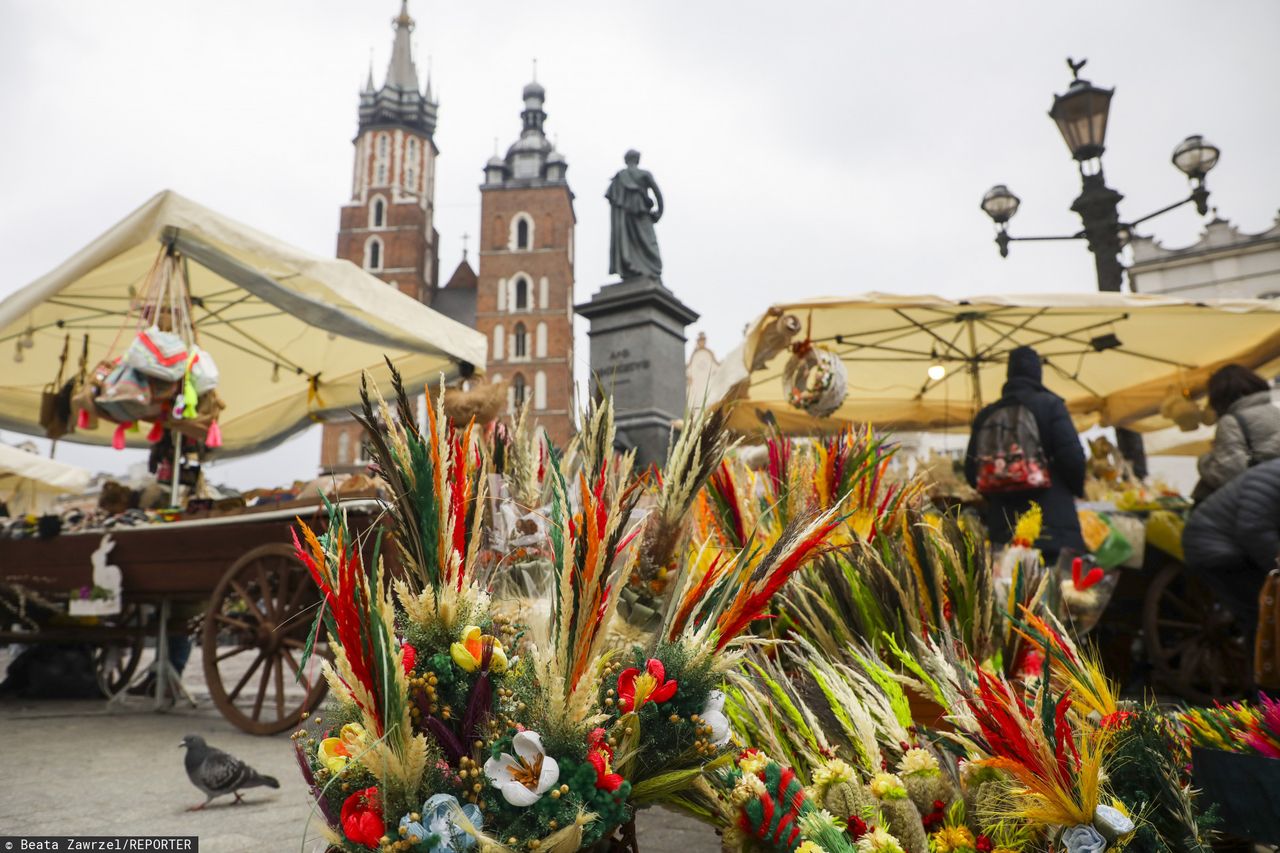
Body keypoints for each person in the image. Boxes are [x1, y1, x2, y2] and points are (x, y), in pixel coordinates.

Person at [964, 345, 1086, 563]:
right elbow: (1073, 458)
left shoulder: (987, 414)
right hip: (1053, 522)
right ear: (1038, 373)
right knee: (1060, 592)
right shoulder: (1051, 406)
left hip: (1004, 526)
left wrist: (998, 492)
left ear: (1009, 374)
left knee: (1010, 592)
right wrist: (1074, 489)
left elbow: (971, 472)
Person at [1183, 456, 1280, 640]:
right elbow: (1254, 529)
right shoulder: (1272, 478)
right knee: (1263, 612)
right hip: (1213, 547)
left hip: (1234, 546)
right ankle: (1259, 667)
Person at [1193, 364, 1280, 500]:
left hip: (1263, 500)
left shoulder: (1231, 421)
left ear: (1219, 396)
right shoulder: (1276, 411)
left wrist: (1204, 461)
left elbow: (1229, 474)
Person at [605, 150, 664, 281]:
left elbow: (612, 199)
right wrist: (659, 212)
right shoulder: (644, 174)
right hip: (642, 214)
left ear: (626, 160)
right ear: (638, 160)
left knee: (628, 241)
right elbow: (658, 193)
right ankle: (652, 270)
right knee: (649, 243)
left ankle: (630, 266)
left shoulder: (620, 177)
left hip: (625, 217)